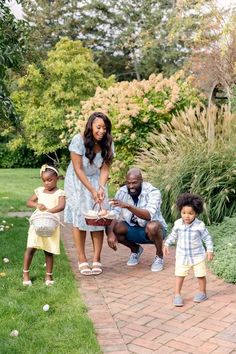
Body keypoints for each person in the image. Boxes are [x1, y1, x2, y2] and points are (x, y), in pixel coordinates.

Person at [64, 112, 114, 276]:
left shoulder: (108, 142)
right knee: (80, 218)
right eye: (98, 127)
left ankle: (96, 259)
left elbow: (105, 168)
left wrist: (100, 187)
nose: (101, 131)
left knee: (97, 218)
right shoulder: (78, 141)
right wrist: (91, 190)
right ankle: (82, 259)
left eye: (104, 128)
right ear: (90, 126)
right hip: (78, 180)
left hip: (97, 180)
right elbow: (78, 168)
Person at [106, 168, 167, 271]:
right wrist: (110, 234)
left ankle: (159, 256)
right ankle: (135, 250)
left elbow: (148, 215)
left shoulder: (153, 192)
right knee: (115, 227)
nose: (131, 186)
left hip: (153, 231)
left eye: (134, 183)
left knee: (153, 226)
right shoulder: (122, 192)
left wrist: (128, 206)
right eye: (128, 183)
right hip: (134, 228)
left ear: (141, 181)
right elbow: (113, 215)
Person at [163, 192, 214, 307]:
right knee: (179, 274)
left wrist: (209, 250)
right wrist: (166, 244)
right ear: (180, 211)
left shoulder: (199, 226)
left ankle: (202, 292)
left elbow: (207, 238)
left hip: (197, 255)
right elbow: (173, 235)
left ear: (196, 213)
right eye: (184, 213)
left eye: (190, 213)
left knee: (200, 275)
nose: (186, 216)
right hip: (182, 255)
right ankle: (177, 295)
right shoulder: (178, 224)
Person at [23, 165, 66, 286]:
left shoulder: (60, 193)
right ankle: (25, 273)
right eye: (44, 180)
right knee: (31, 247)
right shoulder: (39, 191)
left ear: (56, 178)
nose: (46, 183)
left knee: (48, 250)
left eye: (49, 180)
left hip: (50, 224)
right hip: (37, 223)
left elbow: (61, 206)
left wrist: (48, 212)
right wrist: (37, 205)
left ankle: (49, 276)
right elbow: (29, 202)